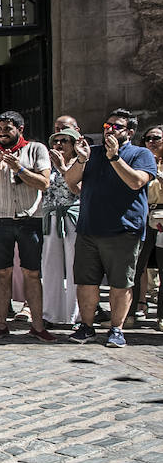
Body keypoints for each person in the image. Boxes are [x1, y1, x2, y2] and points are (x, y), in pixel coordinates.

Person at [65, 109, 157, 347]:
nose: (110, 130)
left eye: (116, 126)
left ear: (130, 131)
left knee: (121, 283)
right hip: (89, 228)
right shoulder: (93, 153)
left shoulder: (141, 153)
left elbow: (136, 181)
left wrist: (115, 157)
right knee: (86, 282)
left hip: (124, 231)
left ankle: (116, 329)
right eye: (107, 126)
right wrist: (82, 159)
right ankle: (86, 327)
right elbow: (71, 181)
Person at [0, 111, 53, 341]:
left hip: (29, 219)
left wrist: (20, 169)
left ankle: (37, 325)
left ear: (20, 129)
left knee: (32, 273)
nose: (2, 133)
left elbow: (44, 183)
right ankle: (1, 324)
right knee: (2, 272)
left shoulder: (37, 150)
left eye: (7, 129)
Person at [42, 124, 83, 328]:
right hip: (51, 218)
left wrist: (63, 169)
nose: (58, 145)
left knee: (74, 266)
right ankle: (50, 314)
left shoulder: (81, 162)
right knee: (50, 266)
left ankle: (75, 315)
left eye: (64, 141)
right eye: (55, 141)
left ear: (75, 144)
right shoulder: (46, 164)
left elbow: (80, 190)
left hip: (72, 218)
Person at [130, 124, 163, 328]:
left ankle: (161, 316)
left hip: (161, 217)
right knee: (135, 267)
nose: (151, 141)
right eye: (147, 138)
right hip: (141, 217)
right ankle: (132, 311)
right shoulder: (140, 160)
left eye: (156, 138)